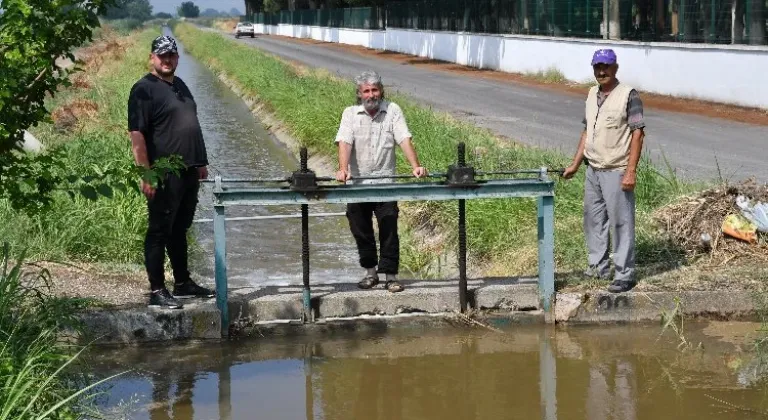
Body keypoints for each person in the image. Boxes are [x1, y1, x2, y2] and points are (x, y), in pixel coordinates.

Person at [128, 35, 215, 309]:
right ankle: (156, 291)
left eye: (172, 55)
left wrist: (200, 162)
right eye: (162, 55)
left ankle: (182, 283)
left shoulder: (180, 85)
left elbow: (191, 123)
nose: (167, 60)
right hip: (165, 172)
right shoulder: (143, 89)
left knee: (180, 228)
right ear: (152, 57)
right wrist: (146, 173)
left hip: (189, 170)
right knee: (159, 230)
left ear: (177, 58)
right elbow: (137, 134)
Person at [334, 70, 427, 293]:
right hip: (358, 185)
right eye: (366, 91)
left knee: (389, 227)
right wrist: (343, 169)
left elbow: (404, 138)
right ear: (359, 94)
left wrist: (415, 165)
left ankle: (391, 277)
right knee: (360, 229)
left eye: (375, 90)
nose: (371, 94)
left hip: (386, 182)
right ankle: (370, 273)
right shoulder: (350, 114)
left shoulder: (393, 111)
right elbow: (344, 142)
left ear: (381, 91)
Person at [562, 48, 646, 293]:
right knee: (593, 220)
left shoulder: (628, 95)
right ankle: (598, 267)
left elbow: (638, 134)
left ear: (615, 68)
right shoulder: (591, 94)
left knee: (621, 223)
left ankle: (624, 274)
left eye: (606, 66)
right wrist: (575, 165)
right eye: (597, 67)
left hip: (617, 170)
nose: (601, 71)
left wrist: (631, 171)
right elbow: (587, 132)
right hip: (593, 171)